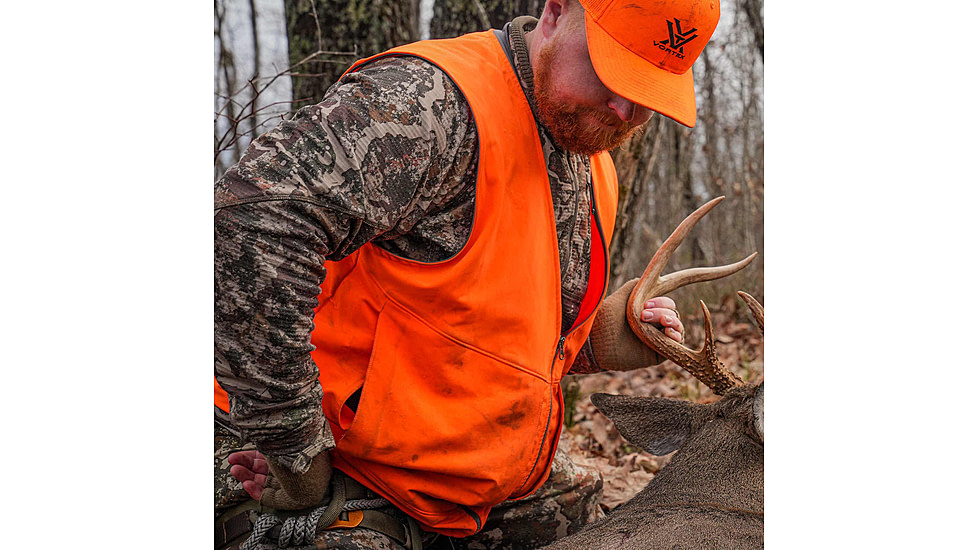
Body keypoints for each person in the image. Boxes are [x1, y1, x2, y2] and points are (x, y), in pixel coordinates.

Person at [214, 0, 720, 548]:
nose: (624, 108)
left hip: (467, 482)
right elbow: (250, 221)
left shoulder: (591, 161)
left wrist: (595, 339)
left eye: (648, 91)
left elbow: (471, 334)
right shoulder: (428, 104)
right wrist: (293, 445)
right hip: (316, 462)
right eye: (611, 69)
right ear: (554, 12)